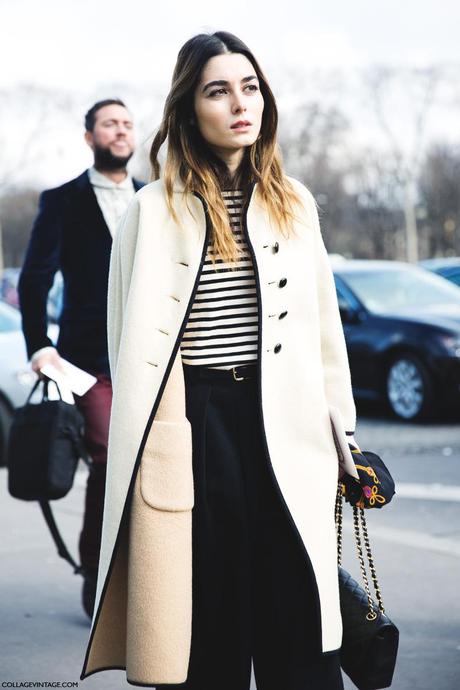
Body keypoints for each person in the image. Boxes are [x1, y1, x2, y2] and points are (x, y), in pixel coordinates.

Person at [80, 33, 361, 690]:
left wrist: (344, 437)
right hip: (197, 425)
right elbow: (130, 345)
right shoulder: (150, 212)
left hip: (287, 422)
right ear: (188, 109)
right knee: (209, 619)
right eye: (218, 90)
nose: (240, 103)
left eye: (250, 86)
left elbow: (326, 336)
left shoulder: (296, 201)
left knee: (300, 615)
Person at [17, 99, 144, 619]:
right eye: (110, 124)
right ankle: (100, 579)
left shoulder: (155, 197)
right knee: (111, 463)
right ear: (90, 136)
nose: (121, 130)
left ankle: (155, 577)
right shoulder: (62, 200)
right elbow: (35, 278)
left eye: (128, 123)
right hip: (88, 362)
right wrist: (39, 346)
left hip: (153, 359)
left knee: (155, 469)